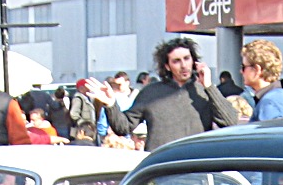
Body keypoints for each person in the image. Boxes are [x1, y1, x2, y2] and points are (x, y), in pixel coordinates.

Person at [94, 36, 236, 151]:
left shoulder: (204, 92)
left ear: (194, 61)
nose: (184, 65)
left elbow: (230, 122)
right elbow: (123, 127)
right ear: (167, 66)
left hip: (197, 169)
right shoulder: (151, 92)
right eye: (176, 61)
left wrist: (209, 86)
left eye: (187, 58)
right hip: (162, 170)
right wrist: (111, 104)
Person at [241, 40, 283, 123]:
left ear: (257, 70)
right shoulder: (277, 96)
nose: (241, 71)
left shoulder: (269, 103)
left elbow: (267, 135)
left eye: (243, 67)